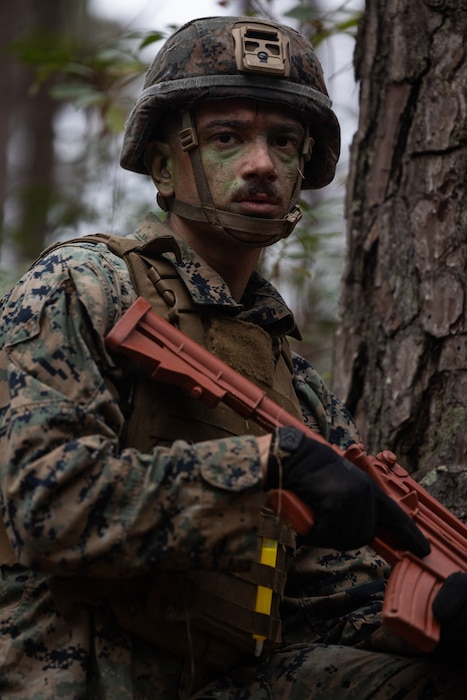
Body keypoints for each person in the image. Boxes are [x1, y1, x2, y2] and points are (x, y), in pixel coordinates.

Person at [0, 15, 466, 700]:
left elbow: (316, 596)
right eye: (226, 138)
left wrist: (419, 618)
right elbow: (47, 504)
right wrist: (264, 468)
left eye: (283, 143)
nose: (261, 165)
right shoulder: (84, 286)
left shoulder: (292, 381)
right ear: (164, 166)